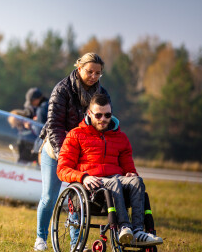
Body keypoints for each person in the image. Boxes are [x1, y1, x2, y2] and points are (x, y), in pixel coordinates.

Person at [57, 93, 163, 246]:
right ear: (89, 113)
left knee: (137, 181)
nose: (103, 119)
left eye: (107, 115)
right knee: (114, 183)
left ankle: (138, 231)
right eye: (98, 115)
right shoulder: (75, 135)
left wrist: (131, 174)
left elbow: (129, 168)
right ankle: (124, 228)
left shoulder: (121, 138)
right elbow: (62, 169)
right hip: (91, 186)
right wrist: (83, 177)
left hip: (116, 180)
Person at [34, 52, 110, 251]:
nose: (93, 76)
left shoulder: (101, 94)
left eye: (98, 73)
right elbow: (54, 125)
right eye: (89, 71)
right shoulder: (62, 90)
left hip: (82, 151)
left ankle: (76, 243)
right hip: (55, 148)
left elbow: (104, 121)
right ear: (79, 68)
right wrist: (62, 154)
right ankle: (40, 238)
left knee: (77, 198)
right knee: (49, 197)